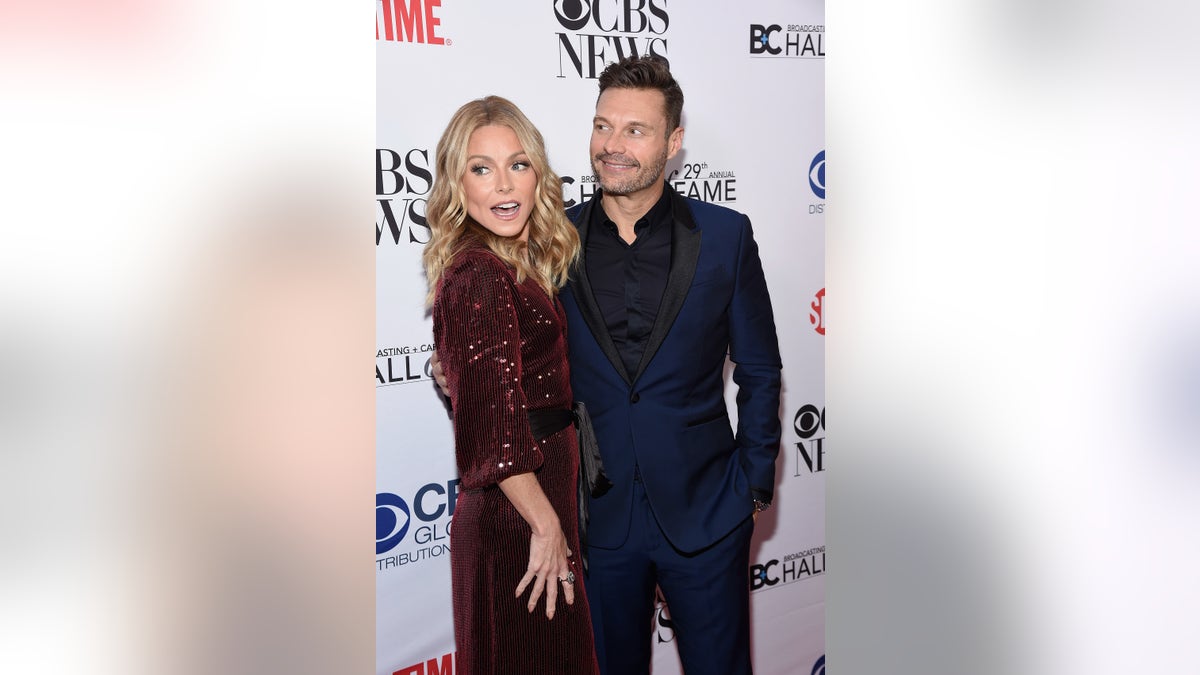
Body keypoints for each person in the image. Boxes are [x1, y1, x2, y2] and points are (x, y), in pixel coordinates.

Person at [434, 56, 782, 675]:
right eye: (602, 126)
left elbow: (759, 368)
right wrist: (457, 374)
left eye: (635, 130)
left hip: (707, 514)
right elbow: (510, 363)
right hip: (592, 526)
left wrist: (753, 486)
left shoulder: (726, 235)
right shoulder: (547, 243)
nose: (612, 146)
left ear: (673, 143)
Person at [423, 95, 599, 675]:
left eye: (518, 164)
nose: (504, 183)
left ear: (537, 175)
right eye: (481, 167)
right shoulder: (478, 271)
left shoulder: (515, 264)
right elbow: (493, 436)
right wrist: (546, 525)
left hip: (536, 501)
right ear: (458, 184)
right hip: (517, 519)